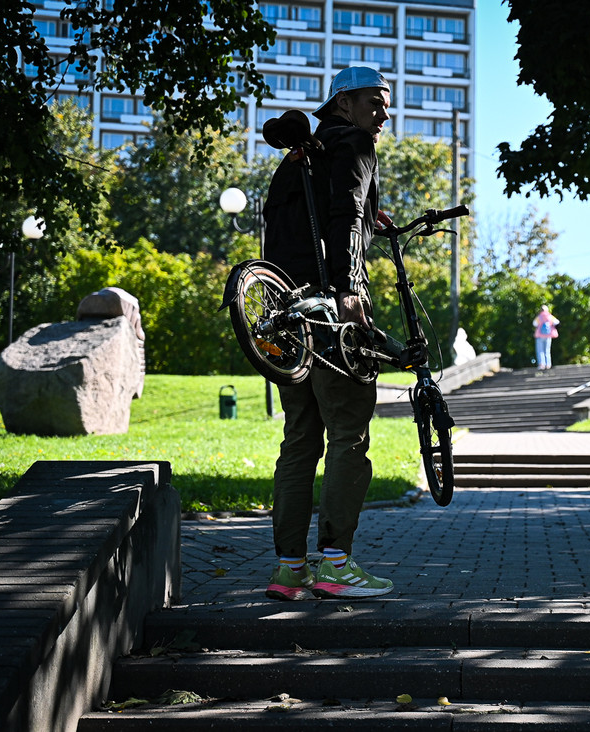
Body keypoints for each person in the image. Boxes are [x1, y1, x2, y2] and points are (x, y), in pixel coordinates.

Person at [262, 67, 393, 601]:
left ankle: (290, 568)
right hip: (330, 307)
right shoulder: (355, 143)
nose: (383, 114)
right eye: (373, 102)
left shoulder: (295, 160)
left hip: (285, 310)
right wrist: (349, 290)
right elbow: (345, 214)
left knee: (298, 440)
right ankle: (337, 564)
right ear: (343, 104)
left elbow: (281, 227)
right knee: (348, 435)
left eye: (386, 105)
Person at [532, 304, 560, 370]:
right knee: (547, 350)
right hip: (548, 336)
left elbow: (534, 323)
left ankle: (542, 364)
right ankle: (548, 364)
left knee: (540, 350)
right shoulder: (550, 316)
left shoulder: (539, 317)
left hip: (539, 336)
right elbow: (557, 322)